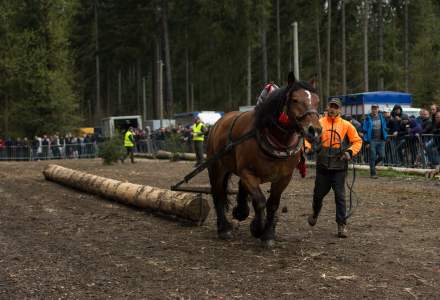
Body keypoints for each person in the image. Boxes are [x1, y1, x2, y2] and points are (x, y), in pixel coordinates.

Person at [307, 97, 362, 238]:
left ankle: (341, 225)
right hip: (323, 166)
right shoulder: (319, 123)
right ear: (327, 107)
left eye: (335, 107)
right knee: (318, 195)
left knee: (340, 196)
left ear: (340, 109)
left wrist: (349, 152)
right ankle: (315, 212)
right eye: (331, 106)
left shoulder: (346, 125)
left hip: (339, 166)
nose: (333, 109)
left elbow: (357, 141)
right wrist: (307, 148)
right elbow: (308, 138)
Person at [362, 104, 388, 178]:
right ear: (371, 109)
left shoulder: (382, 117)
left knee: (382, 156)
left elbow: (385, 126)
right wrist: (366, 142)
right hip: (372, 140)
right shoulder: (367, 118)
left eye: (375, 108)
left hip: (381, 140)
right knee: (372, 157)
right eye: (373, 108)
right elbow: (365, 130)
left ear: (378, 109)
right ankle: (373, 174)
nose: (374, 110)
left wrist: (385, 135)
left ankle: (372, 165)